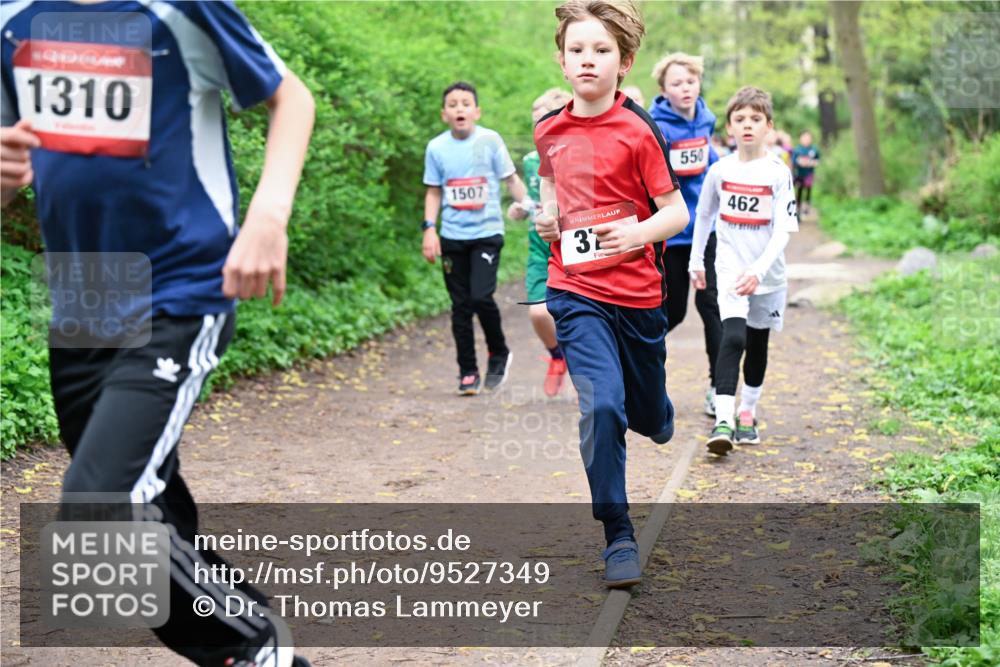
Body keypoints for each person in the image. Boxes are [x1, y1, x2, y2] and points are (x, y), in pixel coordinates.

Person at [0, 2, 315, 665]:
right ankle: (244, 642)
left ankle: (259, 648)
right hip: (84, 296)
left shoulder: (183, 9)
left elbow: (291, 99)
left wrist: (269, 215)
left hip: (181, 284)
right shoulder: (11, 17)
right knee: (144, 528)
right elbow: (11, 167)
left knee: (100, 509)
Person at [534, 0, 688, 587]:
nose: (587, 60)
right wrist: (548, 218)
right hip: (574, 290)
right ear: (562, 60)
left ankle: (658, 409)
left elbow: (675, 213)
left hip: (639, 294)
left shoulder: (639, 129)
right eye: (577, 49)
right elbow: (550, 188)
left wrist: (636, 233)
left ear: (623, 63)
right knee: (602, 407)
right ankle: (618, 534)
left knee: (644, 414)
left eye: (601, 50)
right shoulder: (549, 130)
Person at [689, 86, 798, 456]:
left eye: (755, 119)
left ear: (769, 126)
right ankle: (723, 420)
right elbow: (704, 215)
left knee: (757, 343)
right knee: (732, 337)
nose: (747, 125)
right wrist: (696, 260)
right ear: (730, 127)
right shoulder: (720, 170)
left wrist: (759, 271)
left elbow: (783, 230)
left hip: (768, 275)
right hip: (730, 269)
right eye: (740, 119)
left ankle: (748, 411)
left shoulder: (778, 173)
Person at [422, 81, 530, 395]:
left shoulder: (490, 140)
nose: (460, 109)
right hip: (452, 236)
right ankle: (467, 371)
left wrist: (528, 205)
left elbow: (511, 179)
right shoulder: (436, 148)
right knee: (460, 306)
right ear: (444, 114)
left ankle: (499, 352)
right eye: (453, 104)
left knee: (481, 297)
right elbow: (433, 190)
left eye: (466, 104)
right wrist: (429, 228)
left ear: (476, 111)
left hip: (486, 233)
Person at [649, 51, 723, 416]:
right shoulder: (655, 126)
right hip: (672, 232)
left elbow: (711, 163)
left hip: (705, 230)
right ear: (664, 90)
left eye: (691, 81)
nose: (685, 88)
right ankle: (640, 367)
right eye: (676, 83)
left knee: (712, 306)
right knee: (674, 311)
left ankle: (719, 388)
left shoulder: (706, 120)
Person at [507, 88, 573, 396]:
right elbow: (533, 200)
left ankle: (586, 368)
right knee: (537, 312)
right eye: (535, 121)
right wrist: (520, 210)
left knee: (578, 314)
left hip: (574, 246)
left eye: (545, 119)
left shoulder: (578, 155)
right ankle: (557, 356)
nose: (539, 127)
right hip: (539, 247)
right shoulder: (531, 160)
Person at [792, 130, 820, 214]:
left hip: (809, 174)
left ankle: (807, 206)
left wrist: (812, 163)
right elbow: (793, 160)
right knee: (799, 189)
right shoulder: (797, 149)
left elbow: (818, 160)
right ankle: (798, 207)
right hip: (799, 174)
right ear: (800, 139)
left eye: (808, 138)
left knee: (808, 189)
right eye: (804, 138)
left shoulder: (814, 149)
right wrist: (799, 162)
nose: (806, 140)